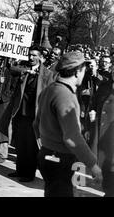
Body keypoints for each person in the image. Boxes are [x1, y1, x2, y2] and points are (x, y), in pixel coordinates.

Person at [34, 51, 103, 197]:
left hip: (47, 155)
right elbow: (72, 138)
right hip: (60, 160)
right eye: (84, 70)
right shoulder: (65, 96)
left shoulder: (50, 89)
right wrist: (93, 165)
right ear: (78, 72)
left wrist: (45, 146)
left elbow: (36, 124)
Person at [0, 46, 54, 182]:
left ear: (40, 57)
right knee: (20, 144)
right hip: (20, 112)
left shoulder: (47, 74)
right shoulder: (24, 70)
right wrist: (27, 71)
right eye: (29, 55)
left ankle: (29, 174)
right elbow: (11, 68)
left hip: (34, 115)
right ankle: (20, 170)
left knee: (31, 146)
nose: (31, 58)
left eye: (34, 55)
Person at [88, 65, 114, 197]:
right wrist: (93, 110)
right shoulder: (105, 85)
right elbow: (94, 101)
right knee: (105, 169)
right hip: (101, 133)